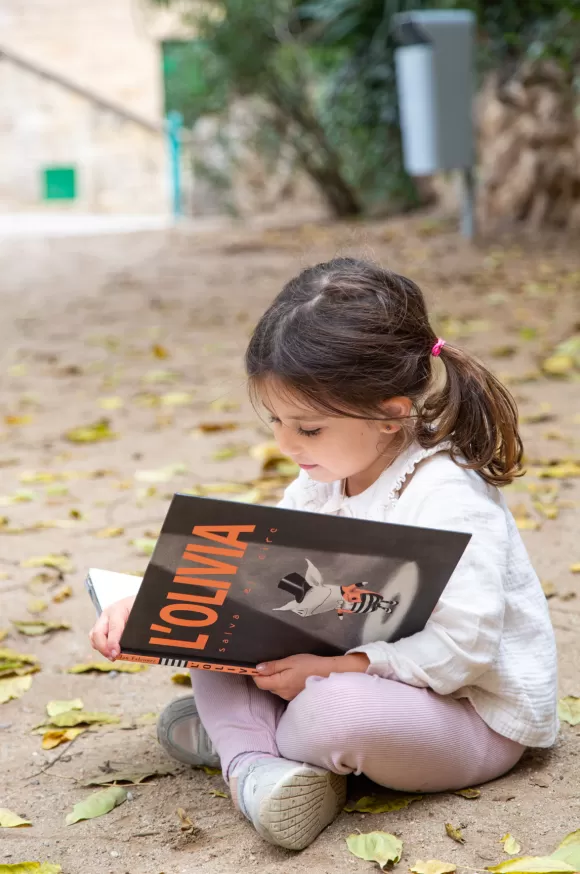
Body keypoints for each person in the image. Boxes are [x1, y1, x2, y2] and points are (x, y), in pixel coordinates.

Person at [89, 258, 558, 852]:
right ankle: (265, 770)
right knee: (212, 635)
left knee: (339, 709)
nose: (285, 443)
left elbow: (465, 650)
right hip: (334, 673)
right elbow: (258, 584)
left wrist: (339, 670)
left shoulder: (447, 498)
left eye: (307, 428)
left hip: (464, 714)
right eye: (276, 420)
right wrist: (149, 605)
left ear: (390, 416)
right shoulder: (324, 478)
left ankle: (247, 749)